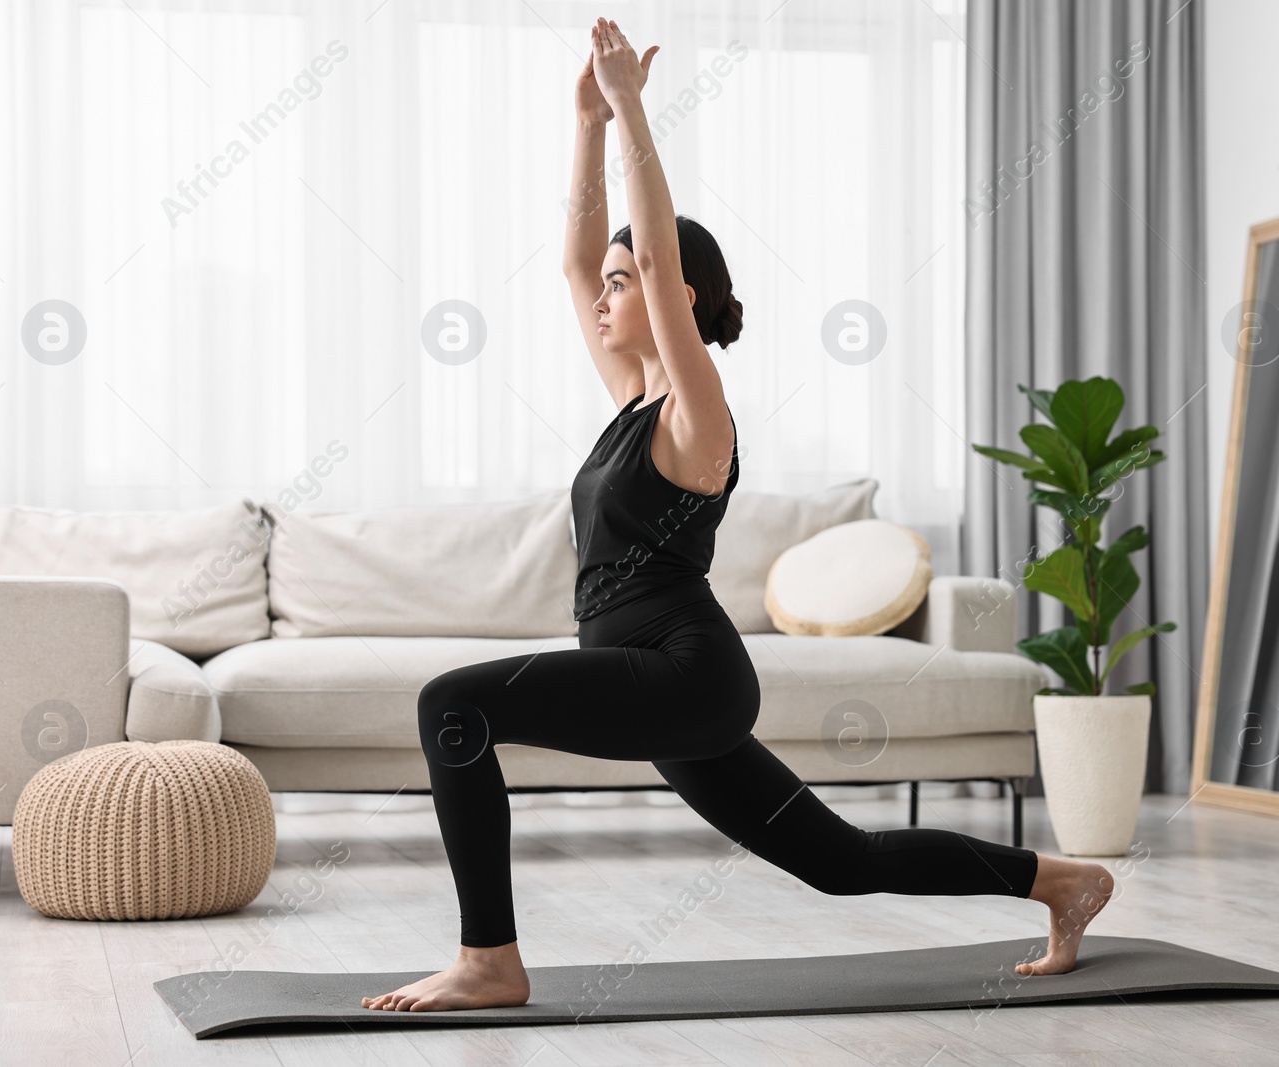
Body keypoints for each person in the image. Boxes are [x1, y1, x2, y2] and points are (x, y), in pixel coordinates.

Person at [363, 17, 1113, 1013]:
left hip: (683, 673)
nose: (602, 296)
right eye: (611, 284)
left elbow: (650, 249)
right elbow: (575, 261)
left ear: (676, 297)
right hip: (660, 682)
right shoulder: (630, 401)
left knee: (450, 704)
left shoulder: (694, 407)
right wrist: (584, 122)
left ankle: (489, 958)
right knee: (839, 860)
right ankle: (1059, 880)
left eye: (628, 285)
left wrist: (635, 110)